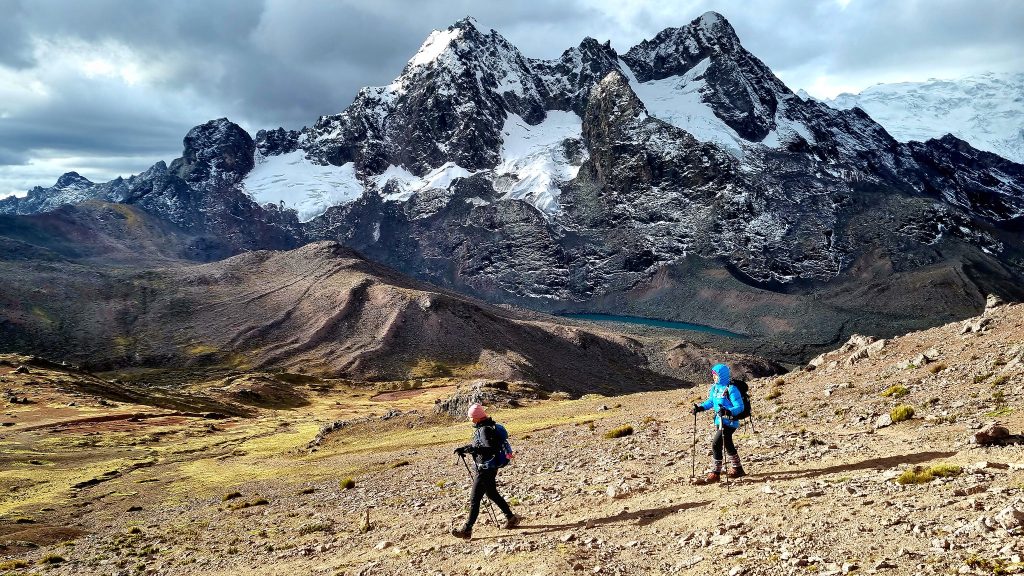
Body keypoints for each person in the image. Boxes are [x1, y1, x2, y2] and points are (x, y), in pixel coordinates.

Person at [451, 403, 520, 539]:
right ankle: (511, 518)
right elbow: (481, 446)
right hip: (490, 467)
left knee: (475, 500)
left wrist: (473, 450)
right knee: (492, 493)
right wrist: (465, 448)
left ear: (476, 418)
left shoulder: (484, 430)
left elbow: (489, 448)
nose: (470, 419)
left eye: (471, 417)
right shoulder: (487, 427)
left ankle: (467, 529)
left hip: (484, 469)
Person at [690, 363, 746, 483]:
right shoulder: (715, 388)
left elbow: (739, 407)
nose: (714, 378)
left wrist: (727, 411)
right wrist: (700, 408)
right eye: (713, 375)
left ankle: (716, 473)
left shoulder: (731, 389)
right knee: (727, 443)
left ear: (722, 376)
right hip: (719, 421)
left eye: (716, 376)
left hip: (729, 422)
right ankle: (738, 468)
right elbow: (711, 402)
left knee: (716, 444)